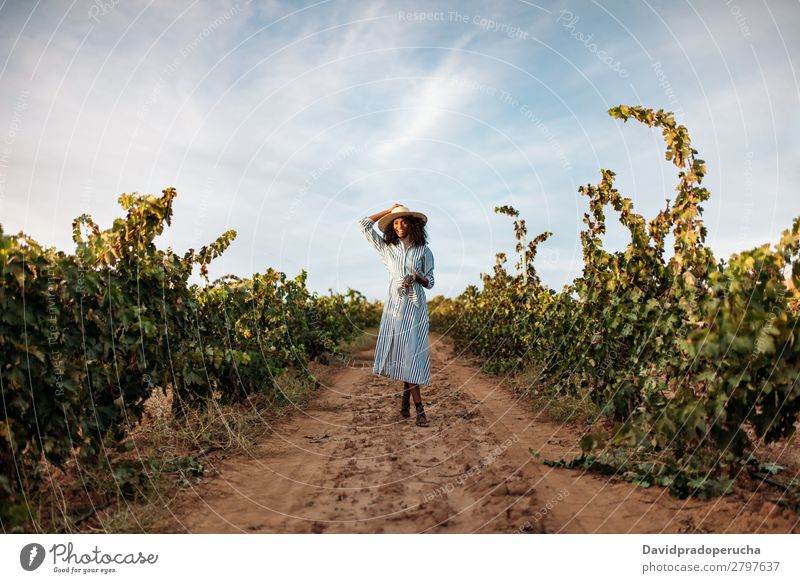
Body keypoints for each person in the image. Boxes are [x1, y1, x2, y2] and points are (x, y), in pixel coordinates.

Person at [358, 203, 435, 427]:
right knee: (405, 353)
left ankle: (416, 409)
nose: (400, 225)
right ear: (392, 226)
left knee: (412, 354)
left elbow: (430, 282)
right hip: (395, 307)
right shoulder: (386, 247)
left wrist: (415, 277)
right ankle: (407, 404)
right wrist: (389, 210)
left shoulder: (424, 250)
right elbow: (363, 225)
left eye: (403, 221)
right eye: (396, 222)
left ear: (412, 225)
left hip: (415, 307)